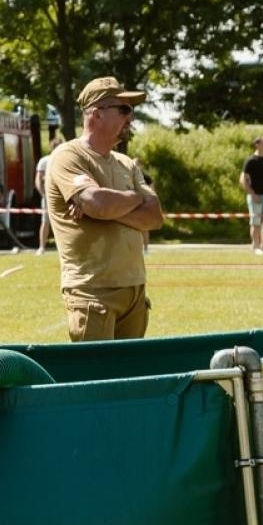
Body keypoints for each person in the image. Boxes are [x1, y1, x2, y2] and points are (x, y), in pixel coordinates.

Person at [44, 77, 163, 341]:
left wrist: (112, 208)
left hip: (134, 289)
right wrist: (133, 199)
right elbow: (98, 203)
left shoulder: (126, 163)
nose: (130, 117)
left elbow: (154, 217)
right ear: (96, 113)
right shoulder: (68, 156)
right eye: (123, 109)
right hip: (92, 292)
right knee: (95, 378)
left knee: (130, 376)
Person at [34, 136, 62, 254]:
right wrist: (43, 194)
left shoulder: (64, 160)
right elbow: (38, 180)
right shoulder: (44, 161)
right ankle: (42, 247)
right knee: (45, 222)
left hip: (63, 195)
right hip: (48, 196)